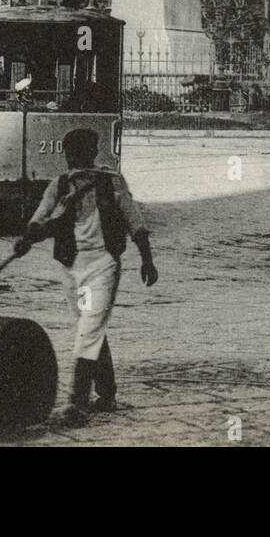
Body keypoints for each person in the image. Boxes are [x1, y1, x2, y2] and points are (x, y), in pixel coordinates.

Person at [14, 128, 158, 425]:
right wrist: (27, 238)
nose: (72, 160)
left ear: (90, 154)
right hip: (70, 267)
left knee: (88, 330)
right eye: (69, 155)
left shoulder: (112, 183)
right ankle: (106, 393)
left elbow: (135, 222)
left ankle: (76, 405)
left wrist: (147, 259)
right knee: (89, 327)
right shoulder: (60, 185)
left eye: (76, 154)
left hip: (104, 265)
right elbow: (40, 219)